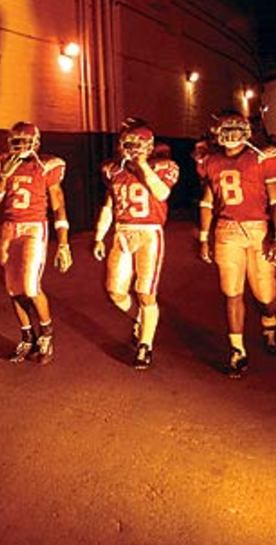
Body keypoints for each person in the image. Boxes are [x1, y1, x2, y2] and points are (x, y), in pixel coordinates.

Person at [197, 110, 276, 378]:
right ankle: (237, 350)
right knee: (232, 292)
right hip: (226, 229)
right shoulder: (211, 161)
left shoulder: (262, 158)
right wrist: (205, 237)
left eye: (236, 129)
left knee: (265, 296)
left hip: (258, 229)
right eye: (225, 129)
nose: (231, 135)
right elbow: (207, 202)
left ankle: (269, 322)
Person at [92, 119, 180, 370]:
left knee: (145, 292)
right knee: (115, 292)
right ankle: (141, 318)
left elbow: (162, 193)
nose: (132, 149)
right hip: (121, 232)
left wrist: (142, 166)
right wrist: (99, 236)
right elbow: (109, 205)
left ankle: (145, 346)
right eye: (128, 144)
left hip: (149, 233)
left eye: (137, 145)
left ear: (149, 147)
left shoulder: (162, 167)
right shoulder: (114, 170)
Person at [0, 122, 72, 364]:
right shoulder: (5, 162)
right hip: (9, 227)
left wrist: (63, 243)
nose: (20, 147)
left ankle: (46, 334)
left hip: (34, 227)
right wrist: (3, 177)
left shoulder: (46, 165)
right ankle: (27, 336)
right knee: (13, 289)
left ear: (35, 142)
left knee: (31, 287)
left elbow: (58, 203)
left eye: (25, 142)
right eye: (16, 142)